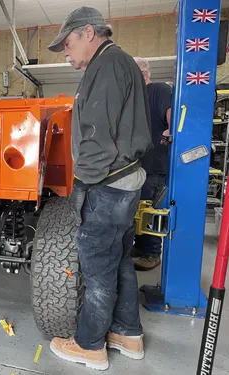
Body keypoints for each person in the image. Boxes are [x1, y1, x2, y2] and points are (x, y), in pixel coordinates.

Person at [47, 6, 152, 371]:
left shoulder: (106, 66)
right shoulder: (120, 63)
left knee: (97, 270)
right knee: (119, 260)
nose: (65, 52)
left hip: (106, 185)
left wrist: (81, 185)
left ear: (88, 32)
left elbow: (95, 136)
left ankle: (89, 344)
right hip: (125, 181)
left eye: (67, 43)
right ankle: (127, 333)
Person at [133, 57, 172, 271]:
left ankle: (152, 253)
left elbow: (171, 115)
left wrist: (171, 129)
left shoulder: (158, 89)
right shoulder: (135, 98)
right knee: (138, 208)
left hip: (155, 163)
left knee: (150, 207)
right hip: (138, 165)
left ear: (144, 73)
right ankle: (140, 247)